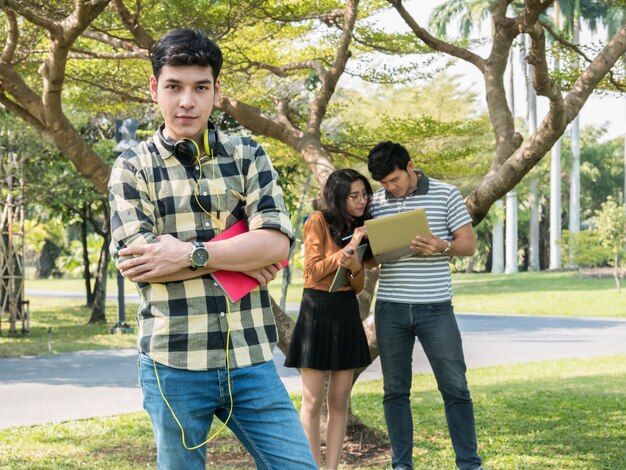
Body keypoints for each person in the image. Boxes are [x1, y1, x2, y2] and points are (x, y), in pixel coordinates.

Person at [108, 28, 317, 470]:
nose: (188, 101)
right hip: (173, 362)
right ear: (154, 89)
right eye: (174, 87)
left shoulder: (248, 155)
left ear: (216, 91)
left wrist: (191, 254)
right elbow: (139, 262)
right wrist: (243, 257)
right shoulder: (132, 167)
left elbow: (277, 243)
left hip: (251, 359)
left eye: (201, 88)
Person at [366, 141, 483, 470]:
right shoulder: (374, 202)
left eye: (395, 180)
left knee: (455, 387)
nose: (391, 188)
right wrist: (370, 247)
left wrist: (441, 246)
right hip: (390, 309)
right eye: (385, 184)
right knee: (395, 390)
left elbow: (468, 244)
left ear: (410, 166)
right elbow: (371, 260)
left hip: (435, 308)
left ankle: (469, 464)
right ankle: (401, 465)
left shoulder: (446, 194)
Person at [284, 169, 373, 469]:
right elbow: (311, 272)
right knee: (311, 401)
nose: (362, 200)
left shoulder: (361, 228)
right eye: (354, 195)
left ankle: (331, 467)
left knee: (339, 400)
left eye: (365, 194)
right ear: (338, 197)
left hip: (346, 311)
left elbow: (357, 285)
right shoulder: (317, 221)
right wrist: (347, 251)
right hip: (317, 312)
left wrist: (355, 265)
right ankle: (309, 465)